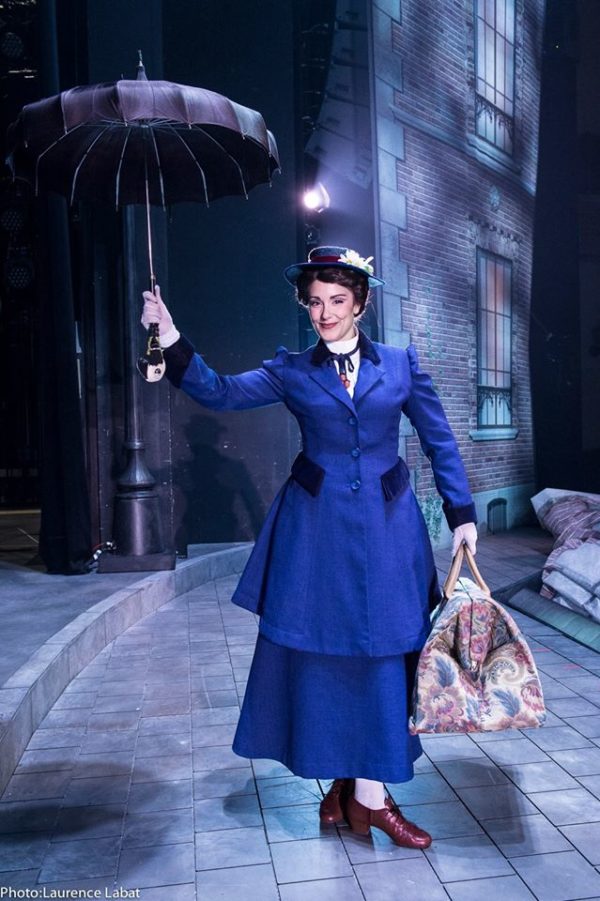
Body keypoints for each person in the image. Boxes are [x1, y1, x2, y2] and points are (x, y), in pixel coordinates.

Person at [141, 245, 478, 849]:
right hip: (315, 533)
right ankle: (357, 793)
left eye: (337, 301)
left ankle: (360, 794)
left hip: (388, 531)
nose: (325, 313)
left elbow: (439, 441)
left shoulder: (400, 364)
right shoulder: (292, 370)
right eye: (316, 302)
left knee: (383, 650)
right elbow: (219, 392)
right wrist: (169, 334)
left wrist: (462, 515)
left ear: (361, 303)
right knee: (327, 653)